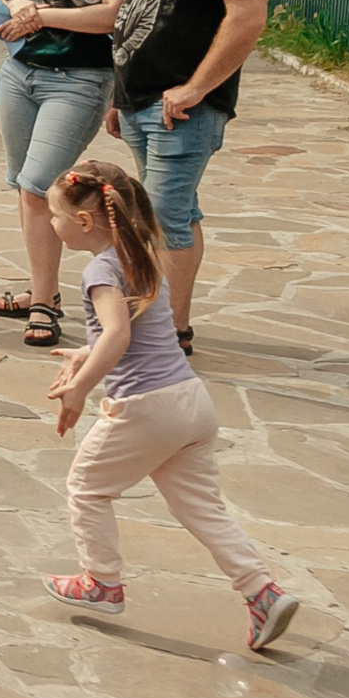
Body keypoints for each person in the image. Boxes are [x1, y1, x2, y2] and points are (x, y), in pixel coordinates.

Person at [41, 161, 300, 651]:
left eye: (56, 216)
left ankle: (101, 582)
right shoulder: (139, 253)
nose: (52, 224)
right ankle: (262, 593)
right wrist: (83, 352)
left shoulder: (99, 269)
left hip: (146, 407)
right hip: (191, 401)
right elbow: (142, 333)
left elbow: (117, 335)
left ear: (83, 222)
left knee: (86, 488)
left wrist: (80, 388)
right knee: (202, 508)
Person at [106, 0, 267, 350]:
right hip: (140, 103)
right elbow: (133, 19)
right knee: (177, 213)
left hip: (181, 109)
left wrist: (197, 88)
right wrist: (118, 95)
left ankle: (164, 332)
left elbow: (247, 18)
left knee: (160, 217)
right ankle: (172, 325)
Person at [0, 0, 134, 348]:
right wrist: (15, 11)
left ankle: (45, 304)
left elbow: (112, 14)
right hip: (19, 74)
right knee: (26, 189)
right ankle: (42, 288)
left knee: (35, 185)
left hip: (77, 81)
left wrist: (40, 14)